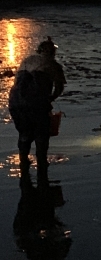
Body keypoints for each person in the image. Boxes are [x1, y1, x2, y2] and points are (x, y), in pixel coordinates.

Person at [9, 36, 66, 175]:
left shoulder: (26, 61)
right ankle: (42, 163)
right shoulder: (54, 65)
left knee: (24, 133)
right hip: (36, 103)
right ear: (52, 53)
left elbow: (17, 83)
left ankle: (24, 161)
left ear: (38, 50)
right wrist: (50, 99)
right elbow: (59, 88)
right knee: (41, 134)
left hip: (15, 101)